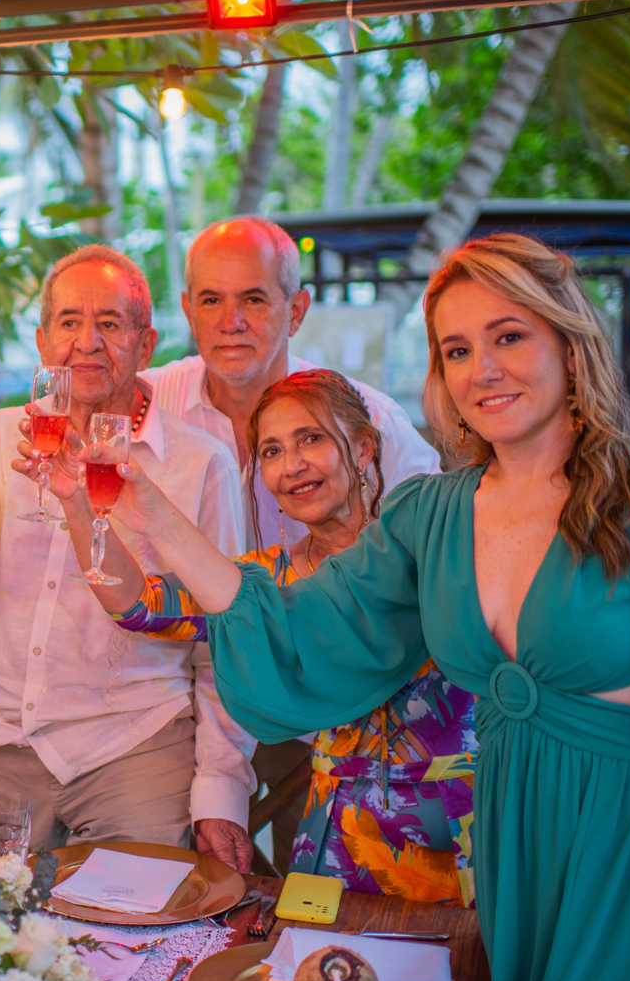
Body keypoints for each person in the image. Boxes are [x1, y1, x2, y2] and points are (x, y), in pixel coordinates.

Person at [111, 234, 630, 981]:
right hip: (506, 848)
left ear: (568, 344)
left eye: (507, 336)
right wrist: (148, 509)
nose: (481, 369)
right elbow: (301, 623)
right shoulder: (432, 517)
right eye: (455, 349)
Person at [0, 244, 256, 870]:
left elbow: (224, 644)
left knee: (133, 927)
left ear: (146, 345)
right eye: (69, 322)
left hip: (135, 748)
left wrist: (221, 792)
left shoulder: (200, 463)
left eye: (110, 323)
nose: (87, 342)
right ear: (41, 341)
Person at [71, 369, 476, 904]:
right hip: (339, 839)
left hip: (457, 829)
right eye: (271, 451)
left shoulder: (422, 545)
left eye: (311, 439)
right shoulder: (261, 580)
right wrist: (76, 502)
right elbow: (138, 607)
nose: (292, 466)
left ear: (363, 448)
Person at [141, 215, 440, 552]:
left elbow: (439, 540)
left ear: (296, 311)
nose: (231, 322)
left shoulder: (374, 420)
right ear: (189, 313)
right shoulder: (145, 404)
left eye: (253, 299)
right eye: (211, 301)